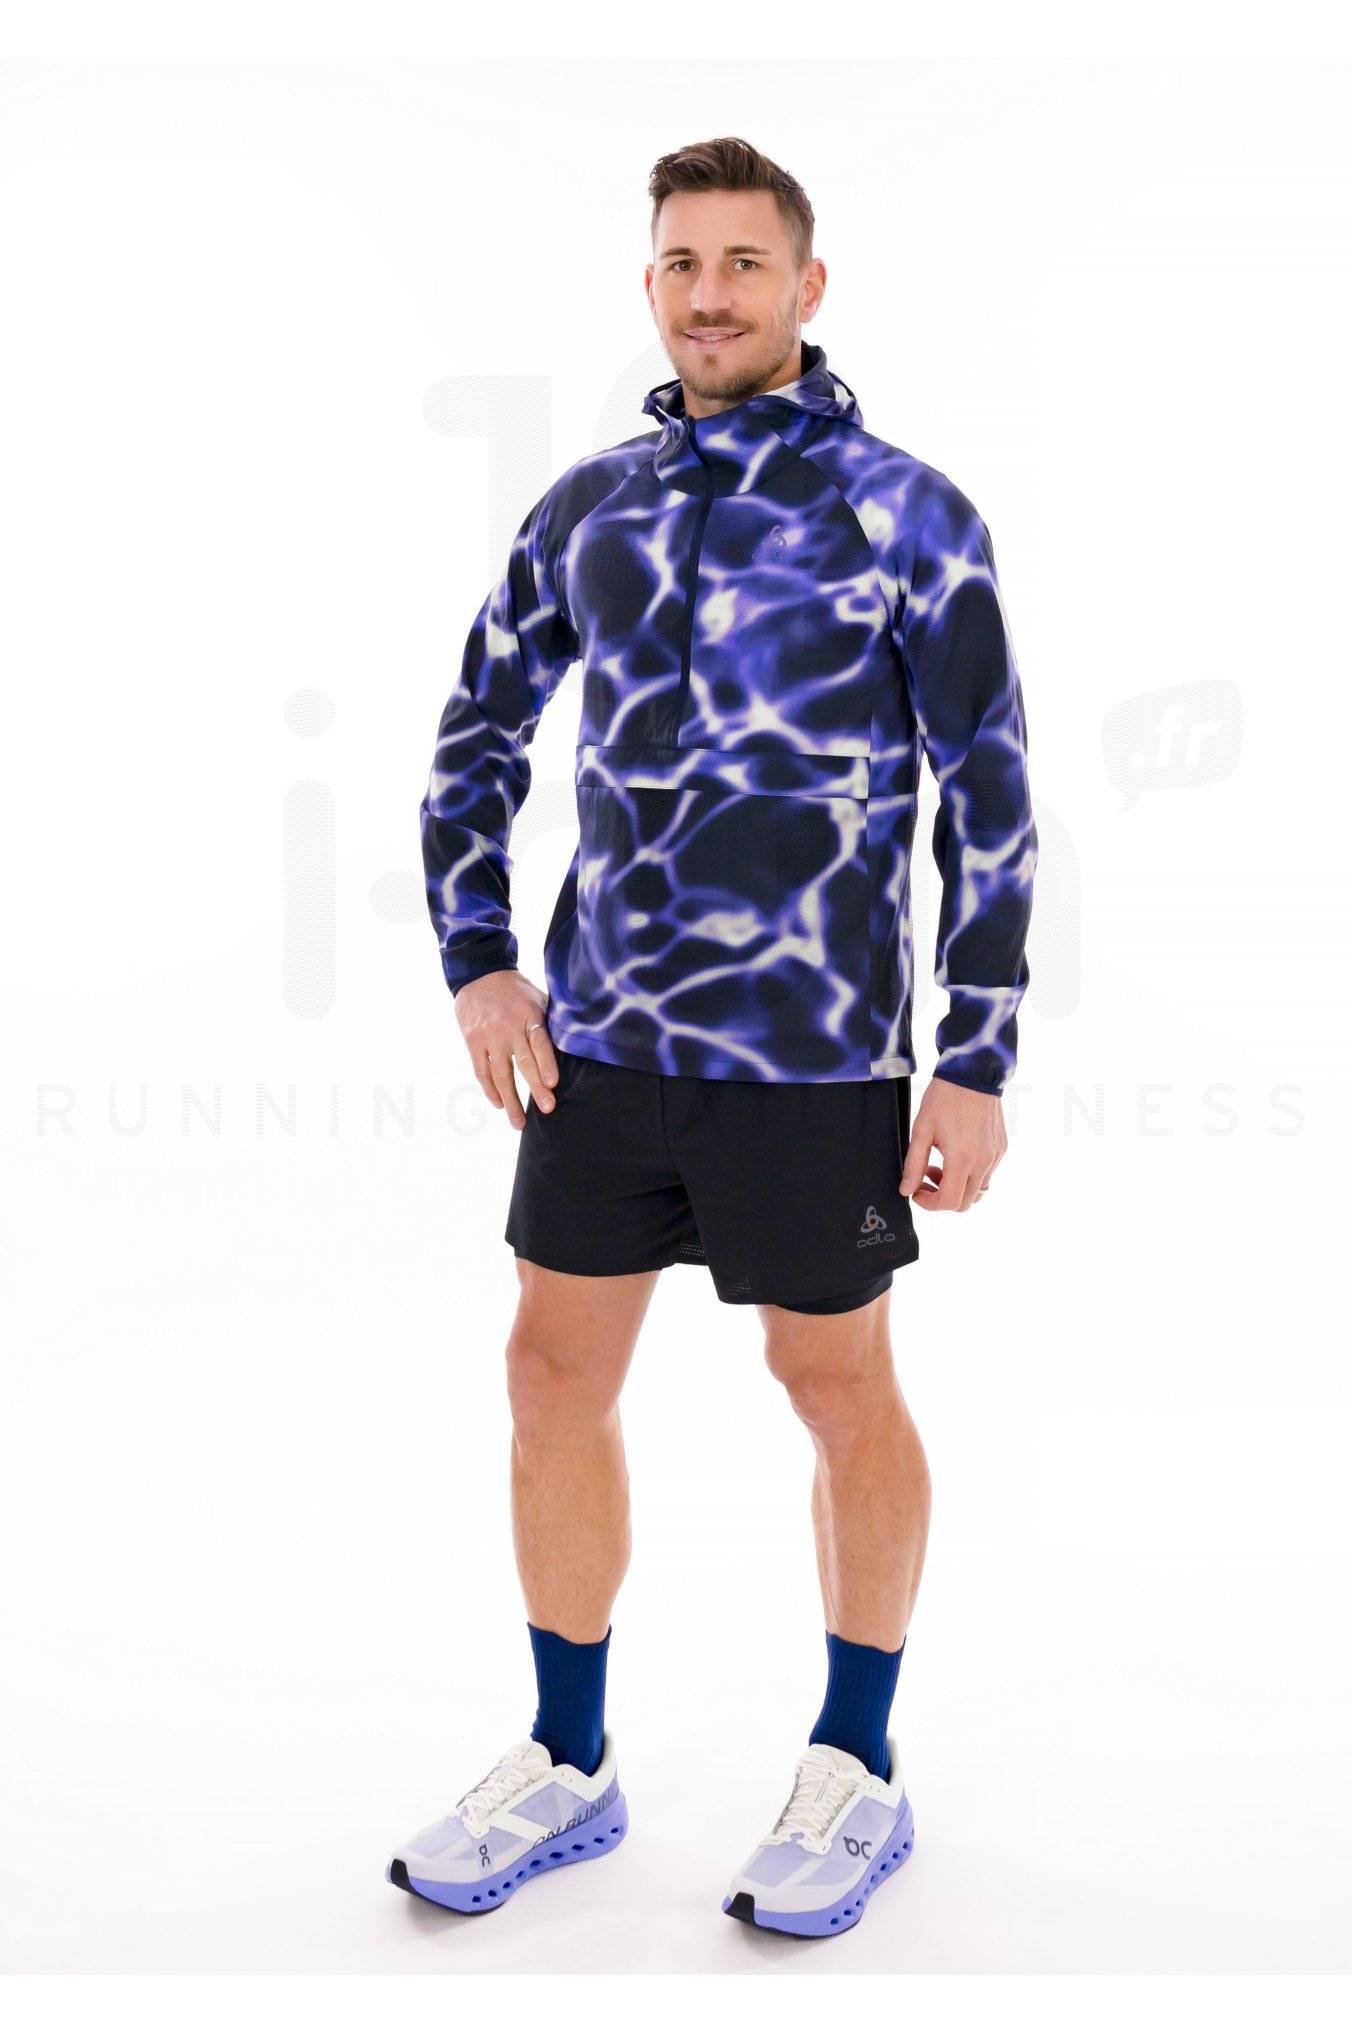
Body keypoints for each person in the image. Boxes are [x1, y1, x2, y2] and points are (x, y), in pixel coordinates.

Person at [387, 135, 1037, 1939]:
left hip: (814, 1057)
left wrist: (976, 1053)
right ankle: (569, 1755)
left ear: (808, 287)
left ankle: (857, 1762)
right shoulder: (590, 506)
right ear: (650, 284)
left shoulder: (906, 512)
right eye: (683, 263)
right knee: (549, 1373)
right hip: (602, 1048)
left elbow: (991, 794)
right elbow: (477, 734)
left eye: (747, 263)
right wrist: (480, 959)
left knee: (835, 1388)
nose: (712, 294)